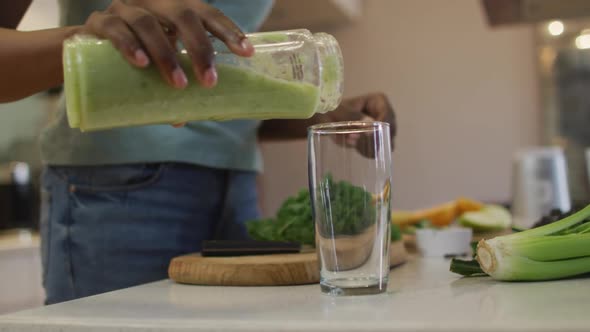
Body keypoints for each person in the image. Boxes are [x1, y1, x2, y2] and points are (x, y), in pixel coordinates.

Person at [0, 0, 397, 304]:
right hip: (115, 194)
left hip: (236, 191)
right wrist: (86, 50)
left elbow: (208, 90)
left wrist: (315, 108)